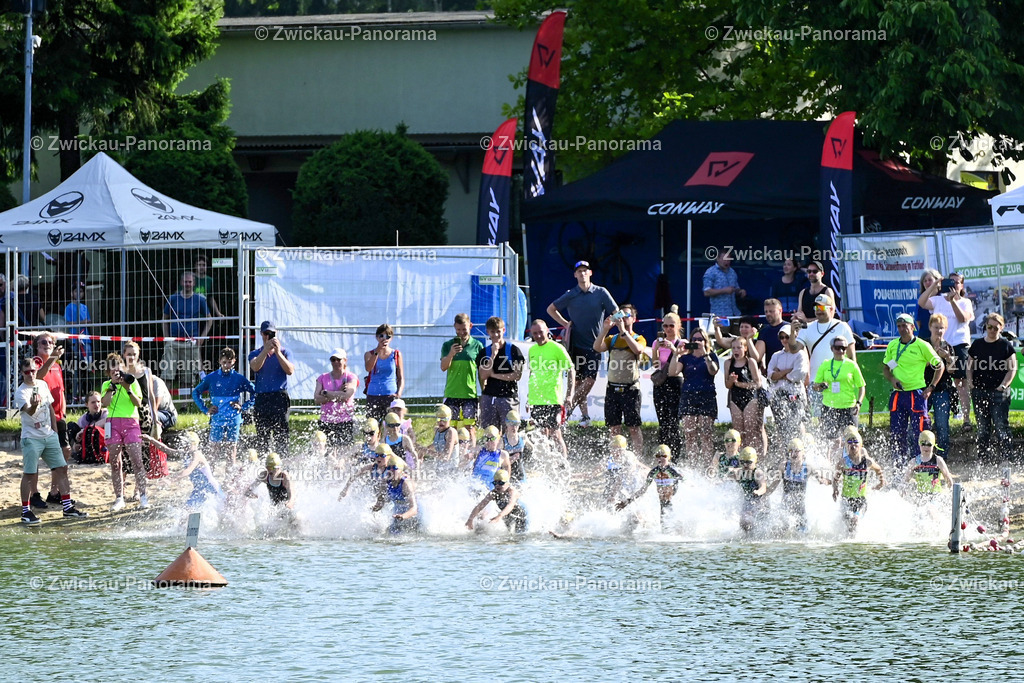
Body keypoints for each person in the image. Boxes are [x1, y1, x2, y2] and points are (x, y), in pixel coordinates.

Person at [547, 260, 618, 426]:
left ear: (590, 273)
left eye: (585, 270)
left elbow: (617, 312)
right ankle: (584, 417)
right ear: (575, 275)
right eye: (579, 271)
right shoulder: (571, 294)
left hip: (595, 346)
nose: (582, 273)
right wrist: (566, 324)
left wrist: (608, 327)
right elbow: (550, 309)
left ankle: (566, 410)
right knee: (578, 382)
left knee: (589, 381)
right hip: (576, 345)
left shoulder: (601, 292)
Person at [16, 357, 87, 524]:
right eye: (27, 372)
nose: (31, 374)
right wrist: (34, 404)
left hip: (49, 435)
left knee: (62, 468)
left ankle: (68, 507)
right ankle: (26, 511)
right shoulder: (21, 392)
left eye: (33, 371)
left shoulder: (42, 384)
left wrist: (55, 432)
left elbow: (49, 407)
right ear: (22, 373)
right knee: (29, 473)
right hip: (31, 438)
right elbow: (29, 412)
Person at [882, 312, 942, 466]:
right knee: (897, 433)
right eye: (899, 326)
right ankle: (899, 466)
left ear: (913, 327)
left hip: (917, 394)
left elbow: (939, 365)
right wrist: (892, 379)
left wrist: (931, 387)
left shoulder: (922, 345)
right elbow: (886, 368)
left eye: (905, 326)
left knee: (921, 432)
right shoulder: (892, 345)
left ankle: (923, 464)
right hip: (898, 394)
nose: (902, 329)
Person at [918, 271, 975, 428]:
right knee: (933, 379)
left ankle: (966, 419)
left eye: (957, 282)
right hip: (939, 344)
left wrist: (953, 301)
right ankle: (930, 417)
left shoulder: (965, 302)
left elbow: (962, 318)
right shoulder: (937, 300)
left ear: (961, 285)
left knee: (960, 382)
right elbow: (921, 302)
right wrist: (935, 286)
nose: (953, 285)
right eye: (951, 282)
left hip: (959, 343)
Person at [593, 303, 649, 453]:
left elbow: (638, 350)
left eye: (626, 315)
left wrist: (624, 332)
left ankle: (637, 458)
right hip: (612, 389)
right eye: (620, 315)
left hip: (631, 389)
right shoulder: (612, 339)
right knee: (614, 428)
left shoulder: (639, 338)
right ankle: (615, 458)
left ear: (634, 319)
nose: (623, 318)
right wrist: (605, 329)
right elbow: (597, 347)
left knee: (633, 427)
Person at [192, 347, 256, 467]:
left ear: (234, 361)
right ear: (219, 361)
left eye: (229, 362)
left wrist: (243, 407)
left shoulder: (239, 378)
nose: (226, 365)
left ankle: (230, 475)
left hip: (234, 419)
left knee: (231, 450)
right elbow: (196, 392)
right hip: (217, 419)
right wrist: (205, 409)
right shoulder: (212, 378)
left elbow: (255, 393)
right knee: (213, 450)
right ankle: (210, 473)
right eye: (224, 362)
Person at [101, 352, 148, 511]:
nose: (116, 372)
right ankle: (119, 497)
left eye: (118, 369)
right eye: (112, 370)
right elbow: (105, 404)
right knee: (115, 462)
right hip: (113, 423)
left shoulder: (132, 381)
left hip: (131, 422)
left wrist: (128, 388)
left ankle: (143, 496)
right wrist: (111, 388)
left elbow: (138, 403)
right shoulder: (106, 385)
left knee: (137, 461)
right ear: (108, 372)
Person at [795, 293, 855, 416]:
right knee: (820, 421)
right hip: (816, 382)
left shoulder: (842, 326)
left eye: (822, 307)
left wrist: (852, 378)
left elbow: (852, 356)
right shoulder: (807, 328)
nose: (818, 310)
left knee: (842, 419)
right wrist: (792, 333)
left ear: (831, 309)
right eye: (816, 307)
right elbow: (794, 349)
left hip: (840, 381)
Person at [31, 332, 72, 508]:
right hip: (40, 415)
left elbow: (60, 391)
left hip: (58, 415)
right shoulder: (35, 362)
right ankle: (34, 494)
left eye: (50, 342)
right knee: (35, 455)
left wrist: (63, 412)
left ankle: (54, 492)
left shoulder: (56, 365)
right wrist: (53, 358)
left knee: (65, 451)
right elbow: (38, 377)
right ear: (36, 346)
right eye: (43, 342)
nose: (47, 344)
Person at [967, 312, 1016, 459]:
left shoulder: (1005, 345)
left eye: (996, 328)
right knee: (983, 428)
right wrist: (970, 383)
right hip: (979, 391)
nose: (992, 330)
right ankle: (983, 459)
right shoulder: (977, 344)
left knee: (1001, 427)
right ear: (986, 326)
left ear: (1001, 328)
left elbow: (1012, 368)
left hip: (999, 392)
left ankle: (1008, 458)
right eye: (990, 327)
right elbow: (969, 366)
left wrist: (1003, 386)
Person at [671, 327, 719, 467]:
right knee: (689, 434)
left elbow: (713, 371)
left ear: (705, 341)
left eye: (700, 339)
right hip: (688, 396)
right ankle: (693, 465)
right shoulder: (685, 358)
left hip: (707, 395)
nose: (697, 342)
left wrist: (705, 354)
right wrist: (676, 354)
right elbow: (673, 372)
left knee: (706, 433)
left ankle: (707, 466)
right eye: (694, 339)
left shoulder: (711, 356)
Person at [527, 319, 575, 460]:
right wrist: (529, 397)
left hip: (553, 398)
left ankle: (563, 464)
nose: (538, 336)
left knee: (555, 434)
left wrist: (570, 394)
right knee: (541, 435)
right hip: (536, 399)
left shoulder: (557, 348)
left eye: (541, 332)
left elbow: (571, 369)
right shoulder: (532, 350)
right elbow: (532, 373)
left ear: (547, 331)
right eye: (535, 333)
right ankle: (548, 464)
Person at [811, 336, 865, 458]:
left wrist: (859, 403)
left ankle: (853, 463)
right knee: (832, 442)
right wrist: (820, 385)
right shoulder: (825, 364)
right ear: (832, 348)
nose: (841, 351)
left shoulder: (852, 365)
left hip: (849, 407)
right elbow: (815, 386)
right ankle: (832, 464)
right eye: (837, 348)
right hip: (829, 407)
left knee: (852, 440)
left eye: (843, 348)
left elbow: (862, 386)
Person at [248, 320, 295, 455]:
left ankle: (283, 461)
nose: (268, 336)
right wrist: (266, 350)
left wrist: (277, 352)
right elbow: (255, 367)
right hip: (262, 397)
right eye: (266, 333)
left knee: (282, 435)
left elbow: (290, 370)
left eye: (271, 333)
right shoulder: (255, 353)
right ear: (261, 334)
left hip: (279, 396)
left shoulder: (285, 352)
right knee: (262, 435)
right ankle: (264, 462)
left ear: (276, 333)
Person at [161, 271, 212, 388]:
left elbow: (209, 319)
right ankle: (165, 399)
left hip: (191, 342)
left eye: (190, 282)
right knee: (167, 374)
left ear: (194, 283)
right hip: (173, 341)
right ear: (181, 283)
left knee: (188, 377)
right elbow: (164, 318)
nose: (188, 284)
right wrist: (166, 338)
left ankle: (185, 400)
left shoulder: (199, 299)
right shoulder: (173, 298)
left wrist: (202, 337)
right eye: (185, 282)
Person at [441, 312, 485, 444]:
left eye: (464, 329)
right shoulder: (448, 345)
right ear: (454, 327)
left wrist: (484, 392)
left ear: (470, 326)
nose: (461, 333)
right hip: (451, 393)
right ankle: (452, 453)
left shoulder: (477, 345)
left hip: (469, 394)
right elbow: (443, 367)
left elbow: (481, 372)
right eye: (458, 329)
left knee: (470, 428)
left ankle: (471, 453)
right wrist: (451, 354)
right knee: (451, 429)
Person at [832, 426, 884, 534]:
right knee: (848, 525)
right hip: (846, 500)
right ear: (846, 446)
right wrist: (835, 489)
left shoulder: (868, 462)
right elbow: (835, 478)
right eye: (850, 442)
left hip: (861, 500)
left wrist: (881, 482)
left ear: (860, 445)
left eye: (855, 442)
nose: (853, 444)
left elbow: (878, 469)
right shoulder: (842, 463)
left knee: (855, 520)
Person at [152, 431, 224, 509]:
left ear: (193, 444)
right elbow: (167, 450)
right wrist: (151, 440)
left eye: (186, 443)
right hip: (198, 489)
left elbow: (188, 471)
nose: (184, 445)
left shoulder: (197, 454)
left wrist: (171, 479)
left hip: (211, 489)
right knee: (187, 511)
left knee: (219, 513)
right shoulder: (187, 453)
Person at [616, 444, 683, 526]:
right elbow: (643, 490)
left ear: (669, 457)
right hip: (662, 504)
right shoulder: (653, 472)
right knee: (665, 529)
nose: (660, 458)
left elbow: (687, 485)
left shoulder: (674, 471)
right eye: (658, 456)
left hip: (675, 504)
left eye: (664, 456)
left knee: (676, 528)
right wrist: (627, 501)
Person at [477, 316, 524, 431]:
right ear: (488, 332)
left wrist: (494, 375)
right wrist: (493, 354)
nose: (496, 335)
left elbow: (517, 375)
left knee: (511, 431)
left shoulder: (514, 350)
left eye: (498, 331)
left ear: (503, 330)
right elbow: (483, 375)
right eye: (492, 332)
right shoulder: (484, 352)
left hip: (508, 397)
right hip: (489, 397)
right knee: (490, 432)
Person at [767, 324, 809, 447]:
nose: (784, 340)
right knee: (781, 425)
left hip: (795, 393)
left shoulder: (800, 354)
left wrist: (779, 373)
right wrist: (787, 372)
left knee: (797, 422)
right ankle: (786, 450)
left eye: (787, 337)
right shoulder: (776, 355)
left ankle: (801, 448)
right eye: (782, 337)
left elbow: (798, 374)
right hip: (778, 393)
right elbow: (770, 375)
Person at [651, 307, 685, 458]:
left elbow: (683, 362)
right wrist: (655, 350)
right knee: (662, 421)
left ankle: (675, 456)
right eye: (665, 325)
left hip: (676, 382)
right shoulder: (656, 342)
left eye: (672, 325)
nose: (668, 329)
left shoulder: (682, 342)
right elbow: (656, 366)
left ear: (678, 326)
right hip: (661, 384)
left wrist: (673, 348)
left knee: (674, 421)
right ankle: (663, 455)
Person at [725, 337, 766, 457]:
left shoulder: (750, 362)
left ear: (745, 348)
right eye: (733, 348)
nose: (736, 350)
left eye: (739, 347)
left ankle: (753, 457)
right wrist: (731, 380)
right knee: (738, 432)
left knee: (751, 430)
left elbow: (758, 384)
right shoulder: (728, 363)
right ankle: (740, 457)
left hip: (750, 398)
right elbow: (727, 385)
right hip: (735, 398)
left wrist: (740, 384)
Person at [923, 314, 957, 454]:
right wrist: (933, 358)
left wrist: (947, 358)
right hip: (924, 388)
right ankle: (920, 454)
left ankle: (943, 455)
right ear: (930, 327)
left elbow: (952, 370)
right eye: (936, 327)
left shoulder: (948, 347)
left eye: (942, 328)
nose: (939, 331)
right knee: (920, 423)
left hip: (942, 389)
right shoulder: (924, 344)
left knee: (942, 425)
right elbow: (918, 366)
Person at [314, 347, 358, 453]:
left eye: (338, 359)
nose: (336, 362)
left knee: (345, 453)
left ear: (345, 360)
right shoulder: (322, 377)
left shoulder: (350, 377)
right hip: (326, 420)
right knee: (326, 452)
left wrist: (326, 393)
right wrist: (339, 394)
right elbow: (316, 399)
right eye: (333, 360)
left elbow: (347, 395)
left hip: (345, 420)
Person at [364, 323, 404, 423]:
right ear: (377, 337)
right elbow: (368, 368)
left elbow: (400, 377)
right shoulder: (369, 354)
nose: (384, 339)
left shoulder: (396, 354)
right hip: (373, 394)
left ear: (391, 338)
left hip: (390, 395)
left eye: (388, 336)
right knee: (372, 426)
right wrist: (377, 351)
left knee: (391, 425)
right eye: (381, 336)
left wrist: (398, 394)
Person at [728, 447, 768, 534]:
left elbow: (763, 487)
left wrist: (758, 492)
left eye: (749, 462)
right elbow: (726, 478)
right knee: (743, 522)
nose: (745, 465)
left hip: (759, 503)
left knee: (752, 523)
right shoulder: (739, 473)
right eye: (742, 462)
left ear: (755, 461)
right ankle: (747, 538)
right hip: (747, 502)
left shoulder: (757, 473)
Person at [64, 282, 92, 401]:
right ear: (72, 293)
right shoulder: (69, 307)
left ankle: (86, 392)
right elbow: (68, 322)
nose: (79, 294)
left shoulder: (84, 307)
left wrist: (85, 322)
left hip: (86, 340)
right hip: (75, 341)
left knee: (87, 366)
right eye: (76, 291)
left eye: (81, 291)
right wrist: (81, 323)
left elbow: (88, 321)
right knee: (75, 366)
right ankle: (75, 393)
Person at [904, 430, 954, 496]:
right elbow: (905, 481)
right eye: (923, 444)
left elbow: (948, 479)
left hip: (936, 496)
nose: (926, 447)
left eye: (929, 444)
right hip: (920, 496)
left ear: (933, 445)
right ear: (919, 444)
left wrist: (952, 494)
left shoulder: (938, 460)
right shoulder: (914, 462)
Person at [379, 455, 419, 534]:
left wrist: (403, 516)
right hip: (398, 515)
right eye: (389, 467)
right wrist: (374, 509)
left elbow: (414, 509)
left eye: (394, 468)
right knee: (390, 534)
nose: (391, 470)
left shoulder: (406, 484)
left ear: (401, 470)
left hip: (414, 515)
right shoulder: (385, 482)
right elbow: (381, 501)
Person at [777, 438, 810, 532]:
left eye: (796, 451)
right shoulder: (783, 466)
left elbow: (820, 478)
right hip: (785, 506)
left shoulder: (807, 467)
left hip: (800, 507)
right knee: (782, 530)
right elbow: (774, 484)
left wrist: (827, 481)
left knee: (801, 533)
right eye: (791, 451)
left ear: (803, 452)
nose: (793, 454)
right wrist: (765, 493)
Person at [466, 425, 511, 490]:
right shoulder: (479, 450)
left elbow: (507, 467)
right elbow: (467, 459)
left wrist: (507, 482)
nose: (489, 442)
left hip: (491, 490)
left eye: (492, 439)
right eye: (486, 439)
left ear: (498, 439)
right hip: (475, 487)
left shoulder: (502, 455)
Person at [703, 250, 744, 318]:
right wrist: (724, 291)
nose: (726, 262)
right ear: (718, 259)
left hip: (734, 313)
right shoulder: (711, 272)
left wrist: (740, 291)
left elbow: (735, 289)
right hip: (719, 314)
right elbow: (706, 292)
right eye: (724, 259)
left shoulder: (732, 272)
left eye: (728, 260)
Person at [71, 391, 107, 462]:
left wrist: (85, 430)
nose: (96, 405)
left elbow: (106, 420)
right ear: (86, 404)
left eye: (98, 402)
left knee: (91, 430)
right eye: (93, 402)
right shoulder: (83, 419)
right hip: (87, 444)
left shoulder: (105, 413)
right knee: (71, 425)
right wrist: (76, 442)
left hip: (101, 443)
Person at [502, 409, 531, 482]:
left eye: (516, 424)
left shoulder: (523, 438)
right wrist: (511, 459)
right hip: (506, 475)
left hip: (521, 476)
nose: (514, 427)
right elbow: (497, 462)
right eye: (511, 424)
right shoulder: (502, 441)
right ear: (507, 423)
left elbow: (533, 448)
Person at [758, 298, 788, 367]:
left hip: (790, 370)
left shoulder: (789, 328)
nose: (768, 314)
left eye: (771, 311)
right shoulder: (763, 332)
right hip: (771, 371)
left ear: (780, 311)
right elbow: (758, 356)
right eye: (766, 311)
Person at [914, 268, 942, 342]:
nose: (927, 283)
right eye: (925, 281)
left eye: (930, 280)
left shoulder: (943, 298)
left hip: (941, 337)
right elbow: (918, 322)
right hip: (925, 337)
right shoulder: (921, 301)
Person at [151, 374, 178, 439]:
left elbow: (156, 406)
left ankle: (155, 441)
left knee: (150, 416)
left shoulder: (156, 382)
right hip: (156, 412)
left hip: (168, 415)